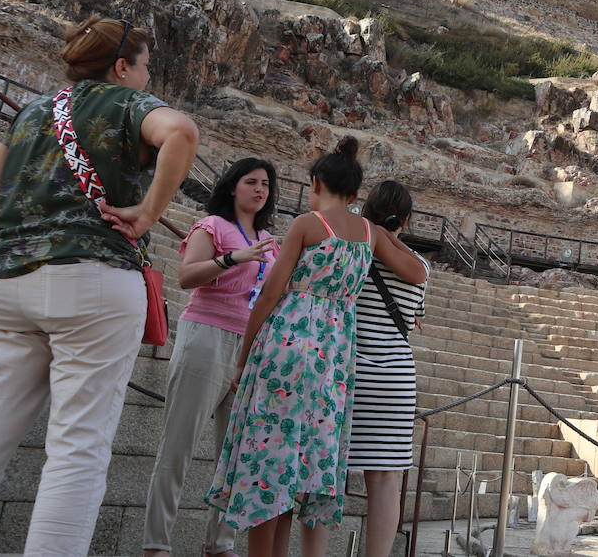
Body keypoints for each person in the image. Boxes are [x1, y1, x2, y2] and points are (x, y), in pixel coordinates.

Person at [0, 16, 199, 555]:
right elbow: (181, 132)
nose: (146, 77)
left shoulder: (36, 110)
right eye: (146, 67)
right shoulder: (126, 104)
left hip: (7, 284)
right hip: (94, 280)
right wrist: (149, 211)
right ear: (121, 66)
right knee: (77, 448)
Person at [206, 137, 423, 557]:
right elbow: (417, 272)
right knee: (304, 458)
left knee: (269, 456)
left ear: (316, 182)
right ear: (356, 193)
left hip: (289, 338)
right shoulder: (368, 233)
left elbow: (271, 292)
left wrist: (244, 353)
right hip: (335, 354)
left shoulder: (308, 224)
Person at [143, 158, 281, 557]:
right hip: (205, 336)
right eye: (251, 182)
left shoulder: (269, 239)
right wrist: (234, 258)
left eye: (266, 185)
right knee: (178, 446)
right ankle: (156, 545)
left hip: (250, 348)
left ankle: (220, 545)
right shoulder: (213, 227)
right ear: (232, 187)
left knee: (235, 452)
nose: (260, 190)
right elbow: (187, 276)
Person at [351, 181, 429, 557]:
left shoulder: (353, 254)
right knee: (385, 480)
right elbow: (415, 317)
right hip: (396, 375)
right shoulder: (421, 265)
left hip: (348, 369)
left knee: (326, 469)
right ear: (407, 219)